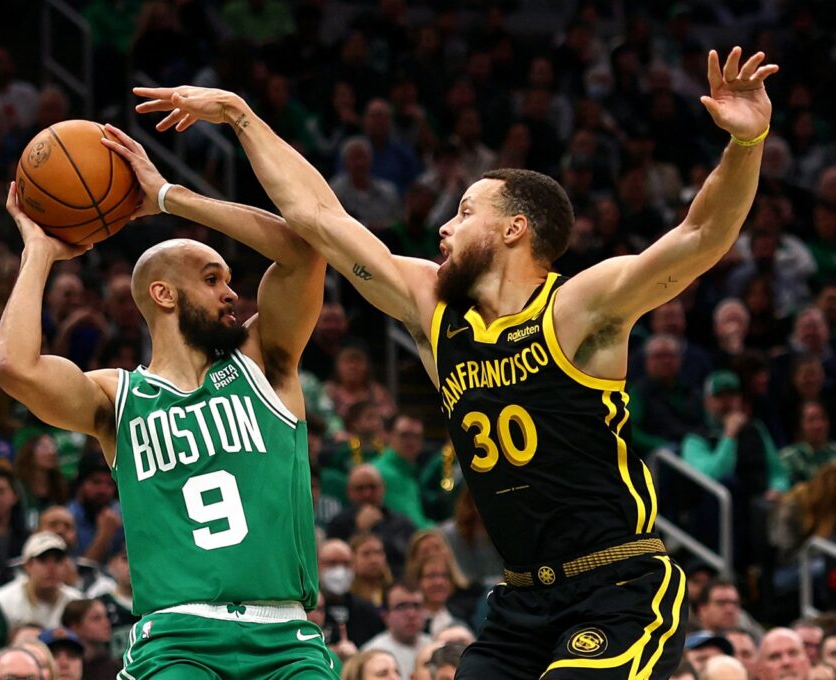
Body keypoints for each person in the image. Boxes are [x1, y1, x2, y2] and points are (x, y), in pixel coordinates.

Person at [135, 45, 776, 678]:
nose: (444, 226)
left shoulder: (578, 307)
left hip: (619, 586)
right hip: (523, 598)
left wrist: (746, 145)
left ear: (514, 229)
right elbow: (317, 217)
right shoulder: (434, 310)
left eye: (465, 212)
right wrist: (241, 117)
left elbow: (699, 235)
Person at [0, 124, 336, 679]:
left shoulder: (265, 360)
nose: (231, 293)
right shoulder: (116, 396)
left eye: (228, 279)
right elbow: (15, 367)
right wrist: (39, 251)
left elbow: (302, 252)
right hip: (176, 639)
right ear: (163, 293)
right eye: (211, 278)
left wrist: (168, 197)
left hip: (286, 637)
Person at [0, 531, 83, 632]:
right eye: (43, 560)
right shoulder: (2, 602)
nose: (51, 568)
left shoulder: (77, 602)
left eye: (58, 560)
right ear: (27, 566)